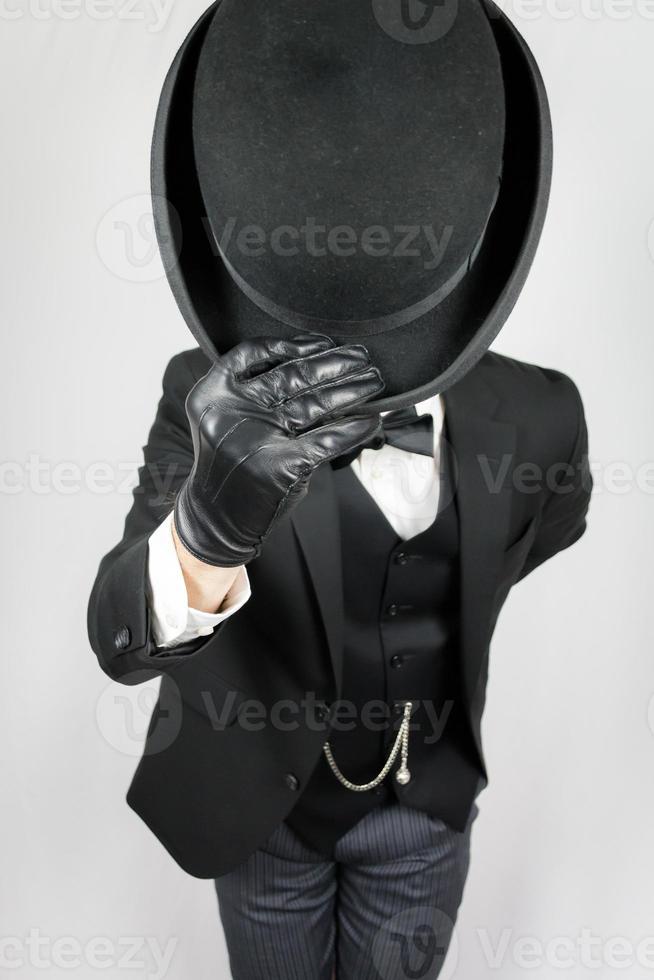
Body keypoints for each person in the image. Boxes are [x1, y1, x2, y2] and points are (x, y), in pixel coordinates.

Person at [88, 1, 592, 977]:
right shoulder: (205, 404)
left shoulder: (543, 414)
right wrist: (202, 531)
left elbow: (543, 533)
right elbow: (119, 639)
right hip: (267, 820)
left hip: (428, 818)